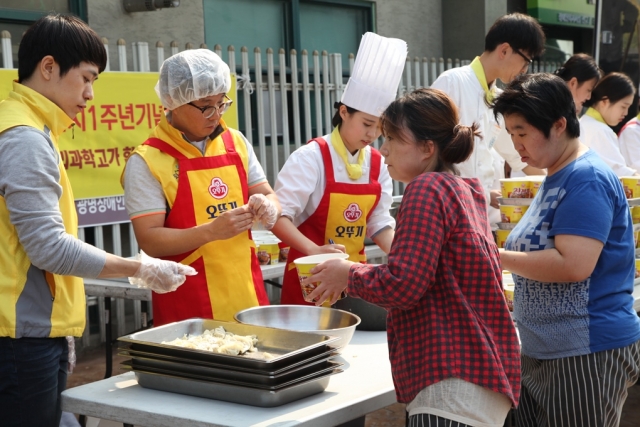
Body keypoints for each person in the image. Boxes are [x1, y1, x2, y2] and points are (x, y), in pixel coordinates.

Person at [0, 14, 195, 427]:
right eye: (86, 78)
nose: (90, 95)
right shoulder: (25, 138)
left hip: (29, 332)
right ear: (49, 68)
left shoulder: (29, 127)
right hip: (21, 340)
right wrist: (140, 268)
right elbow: (48, 248)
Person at [302, 88, 521, 427]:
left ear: (426, 148)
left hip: (450, 384)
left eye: (392, 138)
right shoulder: (466, 189)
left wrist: (348, 273)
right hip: (479, 379)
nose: (382, 148)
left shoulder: (425, 189)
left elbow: (402, 285)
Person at [494, 73, 640, 427]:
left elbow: (573, 265)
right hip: (544, 349)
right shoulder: (554, 175)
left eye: (522, 132)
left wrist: (490, 255)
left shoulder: (585, 177)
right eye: (511, 133)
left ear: (559, 125)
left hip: (585, 352)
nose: (516, 144)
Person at [123, 49, 280, 325]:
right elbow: (150, 241)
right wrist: (211, 231)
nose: (216, 115)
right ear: (172, 102)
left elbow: (267, 193)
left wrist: (268, 206)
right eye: (206, 105)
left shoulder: (236, 142)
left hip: (247, 298)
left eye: (222, 103)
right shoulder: (147, 161)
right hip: (188, 310)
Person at [272, 32, 403, 305]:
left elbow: (378, 223)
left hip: (355, 281)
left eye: (380, 127)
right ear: (344, 112)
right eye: (367, 124)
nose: (373, 134)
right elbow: (277, 217)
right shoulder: (310, 158)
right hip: (310, 277)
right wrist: (314, 249)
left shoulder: (378, 163)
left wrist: (402, 256)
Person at [431, 12, 546, 226]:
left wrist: (558, 177)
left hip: (477, 217)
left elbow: (516, 155)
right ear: (504, 50)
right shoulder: (452, 82)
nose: (524, 70)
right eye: (526, 61)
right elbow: (429, 151)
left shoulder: (499, 99)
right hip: (447, 211)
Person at [579, 72, 638, 177]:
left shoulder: (587, 123)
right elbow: (618, 172)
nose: (626, 113)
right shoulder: (599, 130)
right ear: (605, 102)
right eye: (623, 107)